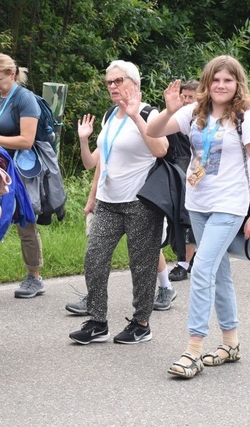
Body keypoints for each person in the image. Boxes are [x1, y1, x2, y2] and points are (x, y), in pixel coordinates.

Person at [146, 55, 250, 379]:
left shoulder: (246, 119)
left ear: (237, 84)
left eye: (227, 80)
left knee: (201, 269)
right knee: (220, 273)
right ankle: (231, 342)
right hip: (198, 203)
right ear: (207, 82)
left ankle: (193, 350)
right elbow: (152, 129)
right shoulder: (193, 114)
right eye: (216, 79)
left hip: (230, 206)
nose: (221, 85)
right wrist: (169, 109)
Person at [68, 60, 167, 345]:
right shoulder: (111, 115)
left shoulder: (150, 113)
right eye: (109, 82)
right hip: (108, 201)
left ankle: (141, 323)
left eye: (118, 81)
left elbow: (161, 150)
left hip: (140, 202)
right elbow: (93, 163)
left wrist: (137, 116)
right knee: (94, 258)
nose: (112, 86)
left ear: (134, 84)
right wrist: (84, 141)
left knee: (143, 265)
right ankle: (98, 322)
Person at [0, 53, 45, 298]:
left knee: (25, 222)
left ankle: (34, 276)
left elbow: (27, 140)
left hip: (18, 170)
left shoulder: (25, 99)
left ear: (12, 74)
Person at [168, 79, 199, 282]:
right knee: (175, 218)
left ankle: (183, 263)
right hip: (175, 170)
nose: (186, 101)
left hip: (195, 172)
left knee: (186, 217)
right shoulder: (175, 117)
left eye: (190, 97)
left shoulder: (204, 119)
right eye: (184, 96)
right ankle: (189, 257)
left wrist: (194, 178)